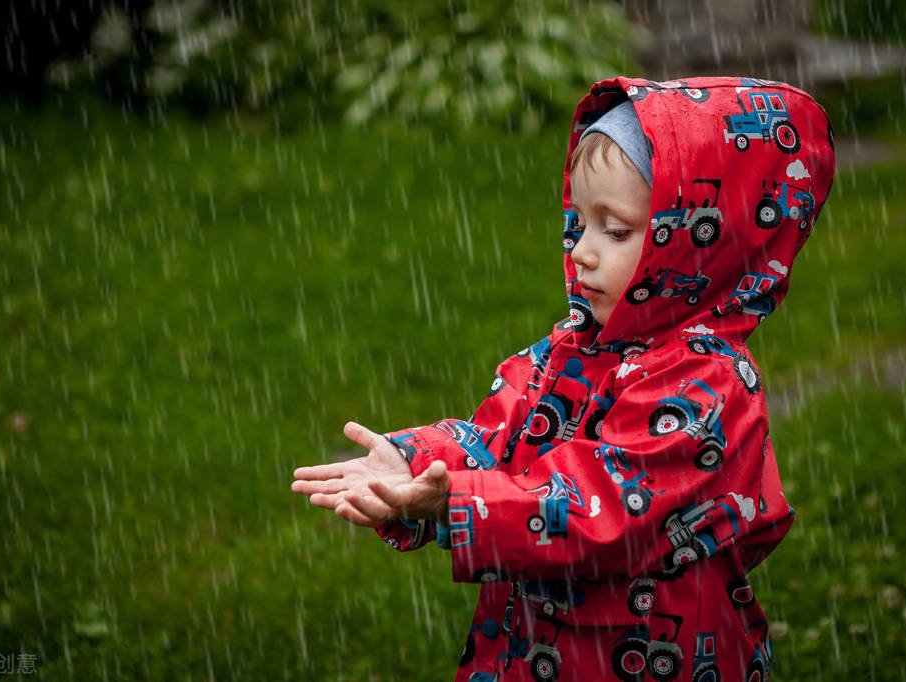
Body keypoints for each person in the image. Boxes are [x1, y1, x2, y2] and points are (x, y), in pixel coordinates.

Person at [292, 76, 835, 681]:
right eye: (579, 221)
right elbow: (495, 442)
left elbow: (602, 510)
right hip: (537, 649)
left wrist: (458, 505)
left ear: (700, 242)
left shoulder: (704, 386)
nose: (581, 251)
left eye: (616, 230)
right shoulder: (568, 351)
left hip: (652, 656)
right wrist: (416, 461)